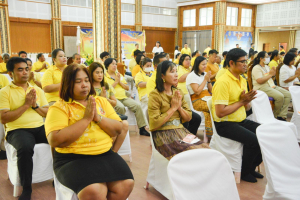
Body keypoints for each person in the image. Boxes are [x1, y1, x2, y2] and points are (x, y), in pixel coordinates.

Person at [45, 64, 134, 199]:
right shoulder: (59, 107)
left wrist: (98, 118)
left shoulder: (101, 102)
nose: (84, 85)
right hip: (72, 158)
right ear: (67, 84)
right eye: (78, 81)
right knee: (95, 190)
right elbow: (55, 140)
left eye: (86, 80)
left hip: (104, 154)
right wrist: (86, 120)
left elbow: (118, 129)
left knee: (126, 184)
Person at [0, 57, 49, 199]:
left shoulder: (37, 90)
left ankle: (60, 177)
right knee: (26, 147)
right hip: (17, 130)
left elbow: (47, 112)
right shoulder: (4, 92)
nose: (25, 72)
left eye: (26, 69)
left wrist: (35, 106)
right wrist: (26, 105)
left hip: (39, 126)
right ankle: (27, 188)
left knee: (60, 139)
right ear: (10, 74)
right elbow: (4, 118)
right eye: (20, 70)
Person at [212, 48, 263, 183]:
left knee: (265, 134)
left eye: (246, 61)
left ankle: (251, 167)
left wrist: (246, 102)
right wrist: (242, 102)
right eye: (242, 62)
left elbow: (245, 107)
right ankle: (245, 171)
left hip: (240, 120)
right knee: (254, 140)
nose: (246, 64)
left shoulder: (242, 79)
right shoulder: (223, 82)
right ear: (231, 63)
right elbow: (220, 112)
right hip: (225, 124)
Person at [148, 60, 209, 160]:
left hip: (181, 131)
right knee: (192, 155)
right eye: (172, 72)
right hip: (164, 135)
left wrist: (179, 108)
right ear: (162, 76)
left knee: (205, 150)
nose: (176, 75)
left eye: (176, 71)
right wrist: (173, 108)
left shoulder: (177, 92)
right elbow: (154, 123)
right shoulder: (155, 95)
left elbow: (189, 117)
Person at [89, 62, 129, 152]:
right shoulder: (88, 87)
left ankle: (114, 152)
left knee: (125, 124)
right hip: (96, 115)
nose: (100, 75)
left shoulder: (107, 86)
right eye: (97, 72)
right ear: (91, 73)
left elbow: (114, 102)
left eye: (101, 72)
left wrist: (105, 99)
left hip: (109, 113)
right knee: (113, 129)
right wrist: (101, 99)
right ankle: (107, 152)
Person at [105, 58, 149, 136]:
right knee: (121, 107)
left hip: (124, 97)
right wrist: (116, 82)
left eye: (115, 64)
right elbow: (107, 90)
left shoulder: (119, 75)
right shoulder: (104, 76)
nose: (115, 66)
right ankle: (121, 128)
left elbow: (127, 87)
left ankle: (142, 128)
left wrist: (119, 82)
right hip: (113, 98)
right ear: (107, 66)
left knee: (137, 106)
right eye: (113, 64)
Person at [251, 51, 291, 121]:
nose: (268, 58)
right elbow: (259, 81)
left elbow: (271, 78)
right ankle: (274, 116)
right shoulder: (256, 68)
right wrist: (270, 75)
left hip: (271, 85)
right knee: (280, 96)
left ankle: (281, 115)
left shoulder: (266, 66)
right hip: (261, 87)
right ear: (261, 58)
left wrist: (273, 75)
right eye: (267, 57)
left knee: (287, 94)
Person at [175, 54, 202, 135]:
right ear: (181, 61)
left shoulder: (190, 69)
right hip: (183, 92)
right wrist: (191, 72)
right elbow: (180, 79)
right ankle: (185, 132)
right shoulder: (179, 68)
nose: (188, 61)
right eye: (186, 59)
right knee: (186, 114)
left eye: (189, 59)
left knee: (192, 116)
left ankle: (189, 133)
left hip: (191, 92)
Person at [186, 56, 213, 138]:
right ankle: (212, 134)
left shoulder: (204, 74)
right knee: (214, 107)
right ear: (197, 65)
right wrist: (205, 79)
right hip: (197, 100)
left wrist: (208, 80)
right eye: (203, 64)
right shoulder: (192, 76)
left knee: (218, 105)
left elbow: (211, 90)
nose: (205, 66)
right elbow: (197, 92)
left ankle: (215, 132)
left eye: (206, 64)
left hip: (207, 98)